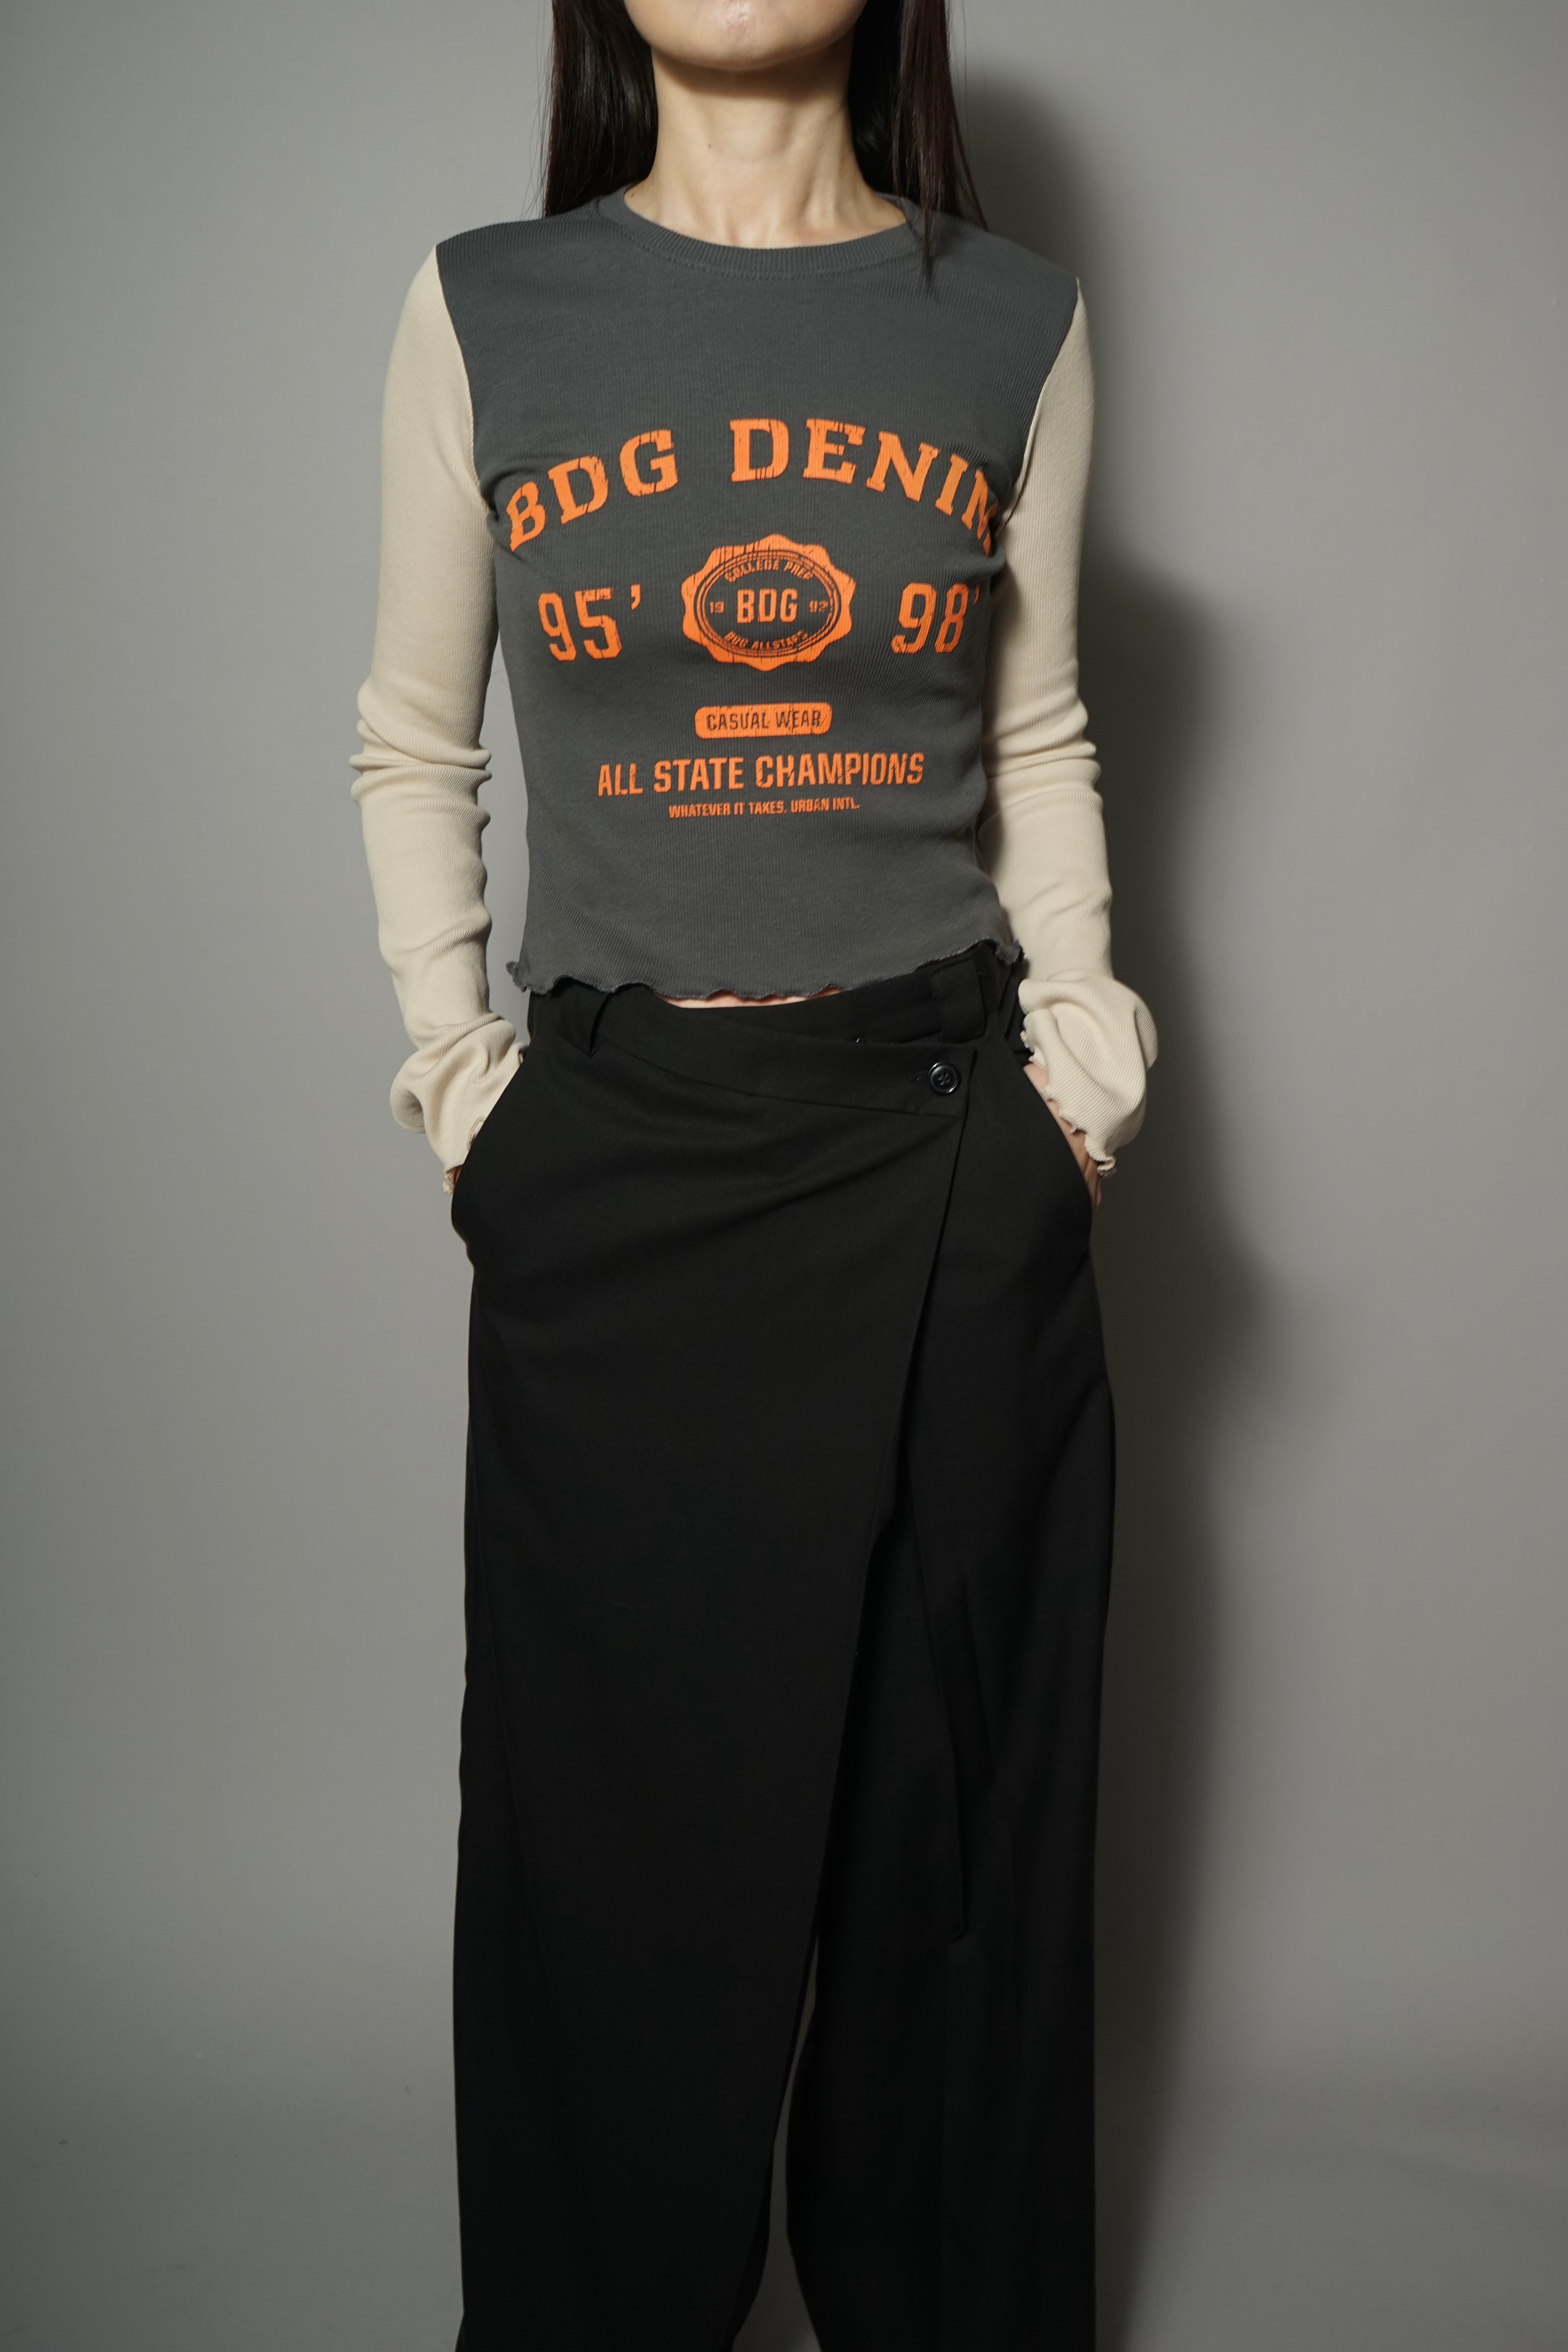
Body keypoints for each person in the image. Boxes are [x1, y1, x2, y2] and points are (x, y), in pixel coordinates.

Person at [352, 0, 1156, 2343]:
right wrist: (466, 1087)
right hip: (618, 1173)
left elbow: (1038, 726)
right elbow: (410, 737)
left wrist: (1081, 1072)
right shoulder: (487, 307)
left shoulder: (1012, 319)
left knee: (945, 1866)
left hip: (943, 1149)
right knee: (611, 1880)